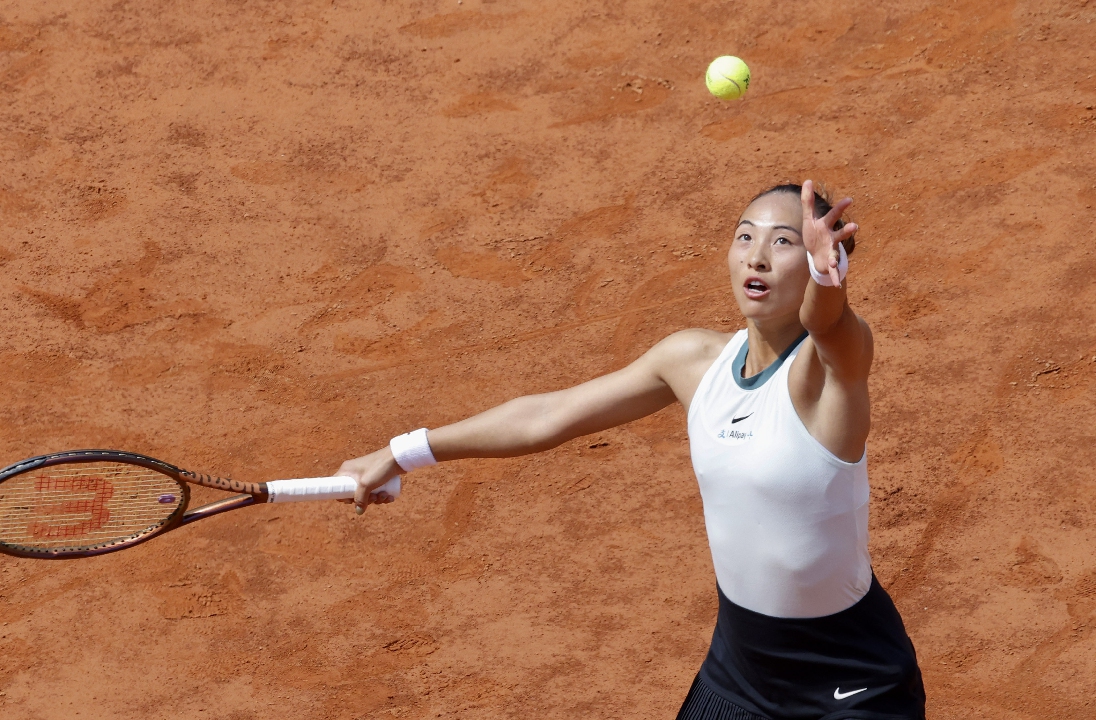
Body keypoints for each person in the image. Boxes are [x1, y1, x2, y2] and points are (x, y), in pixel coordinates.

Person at [336, 180, 926, 720]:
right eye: (745, 236)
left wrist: (828, 281)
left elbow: (831, 327)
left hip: (852, 685)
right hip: (740, 675)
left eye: (785, 242)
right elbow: (550, 414)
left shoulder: (825, 375)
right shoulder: (694, 362)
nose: (757, 255)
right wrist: (404, 451)